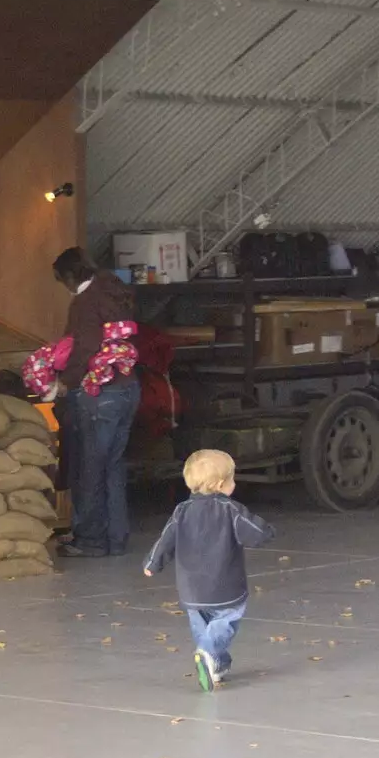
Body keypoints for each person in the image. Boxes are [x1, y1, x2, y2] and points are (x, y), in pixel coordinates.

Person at [143, 449, 276, 692]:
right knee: (226, 621)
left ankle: (216, 665)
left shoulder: (181, 511)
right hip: (224, 584)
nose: (234, 484)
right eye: (232, 479)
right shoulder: (230, 509)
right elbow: (253, 532)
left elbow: (166, 540)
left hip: (191, 588)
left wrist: (153, 562)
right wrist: (267, 532)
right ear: (219, 484)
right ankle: (207, 654)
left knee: (203, 627)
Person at [52, 247, 138, 559]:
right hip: (127, 388)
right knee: (112, 467)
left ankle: (90, 540)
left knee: (89, 467)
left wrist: (65, 382)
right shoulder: (115, 292)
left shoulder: (85, 303)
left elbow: (84, 348)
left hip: (98, 394)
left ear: (71, 277)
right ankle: (116, 538)